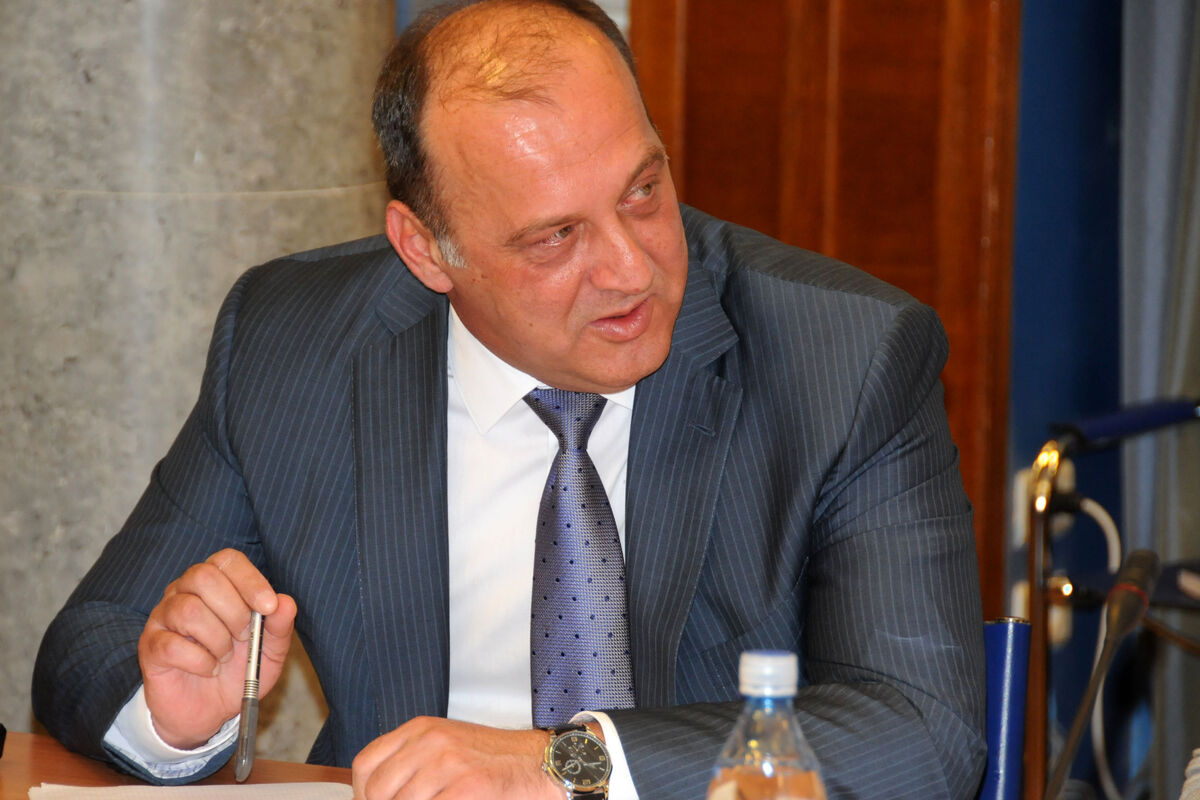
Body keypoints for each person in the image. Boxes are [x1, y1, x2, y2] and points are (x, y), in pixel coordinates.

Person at [32, 1, 987, 798]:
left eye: (643, 190)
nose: (632, 268)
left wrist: (562, 765)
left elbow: (922, 731)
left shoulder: (844, 358)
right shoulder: (298, 344)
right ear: (426, 251)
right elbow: (90, 644)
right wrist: (171, 716)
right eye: (555, 237)